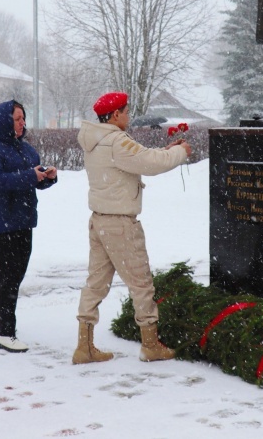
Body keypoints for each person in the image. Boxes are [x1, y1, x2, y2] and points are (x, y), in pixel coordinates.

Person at [72, 92, 192, 364]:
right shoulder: (116, 141)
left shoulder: (96, 139)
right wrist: (178, 153)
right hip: (120, 224)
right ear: (115, 115)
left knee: (95, 283)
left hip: (100, 220)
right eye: (126, 111)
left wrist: (165, 150)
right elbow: (149, 164)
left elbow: (138, 159)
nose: (128, 116)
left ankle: (84, 346)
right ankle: (151, 345)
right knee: (141, 283)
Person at [0, 100, 58, 353]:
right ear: (4, 121)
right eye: (17, 118)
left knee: (17, 273)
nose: (22, 122)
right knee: (10, 276)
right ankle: (6, 333)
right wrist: (28, 175)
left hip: (23, 220)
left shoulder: (28, 150)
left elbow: (32, 181)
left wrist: (47, 178)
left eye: (23, 117)